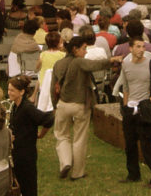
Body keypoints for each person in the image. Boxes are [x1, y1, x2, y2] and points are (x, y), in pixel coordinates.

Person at [51, 36, 121, 180]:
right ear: (75, 50)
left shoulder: (58, 64)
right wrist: (112, 60)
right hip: (80, 105)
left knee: (62, 135)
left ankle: (65, 163)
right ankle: (77, 172)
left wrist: (54, 105)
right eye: (84, 49)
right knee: (79, 139)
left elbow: (53, 87)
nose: (86, 52)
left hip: (63, 104)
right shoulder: (79, 62)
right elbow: (95, 65)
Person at [119, 37, 151, 188]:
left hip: (144, 110)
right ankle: (133, 174)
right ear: (130, 49)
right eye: (138, 47)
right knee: (130, 145)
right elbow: (126, 87)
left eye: (143, 47)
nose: (141, 50)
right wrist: (126, 107)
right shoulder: (126, 65)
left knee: (146, 145)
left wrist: (148, 102)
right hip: (130, 110)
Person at [8, 75, 53, 196]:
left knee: (28, 187)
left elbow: (48, 119)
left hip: (27, 155)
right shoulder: (15, 106)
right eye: (9, 90)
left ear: (21, 92)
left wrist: (41, 134)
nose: (9, 93)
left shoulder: (27, 108)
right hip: (17, 153)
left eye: (12, 90)